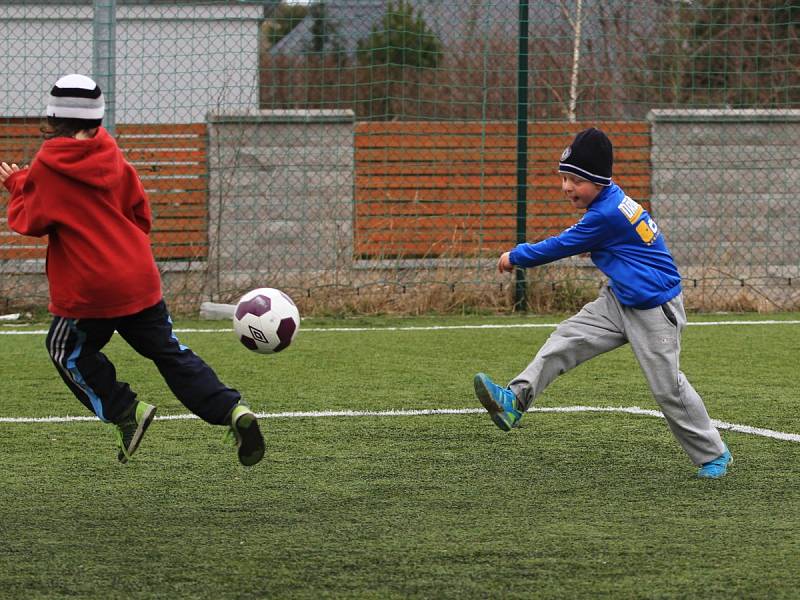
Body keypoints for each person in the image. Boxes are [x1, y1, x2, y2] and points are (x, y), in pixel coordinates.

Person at [1, 74, 264, 467]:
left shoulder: (48, 164)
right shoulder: (113, 155)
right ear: (98, 118)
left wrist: (18, 184)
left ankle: (126, 410)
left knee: (64, 351)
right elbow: (141, 213)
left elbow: (31, 220)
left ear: (53, 118)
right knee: (170, 354)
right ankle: (232, 411)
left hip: (89, 289)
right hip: (139, 277)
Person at [473, 127, 732, 479]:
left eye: (576, 180)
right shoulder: (610, 201)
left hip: (655, 308)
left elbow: (560, 245)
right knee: (564, 339)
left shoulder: (605, 215)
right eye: (564, 177)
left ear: (597, 180)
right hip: (619, 298)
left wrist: (515, 256)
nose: (567, 187)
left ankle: (714, 454)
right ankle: (514, 402)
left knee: (667, 388)